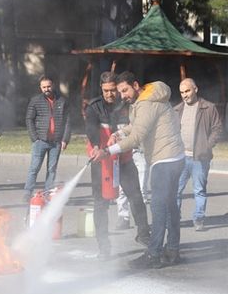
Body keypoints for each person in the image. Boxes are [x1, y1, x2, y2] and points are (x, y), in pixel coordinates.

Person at [93, 71, 185, 269]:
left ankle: (154, 255)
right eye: (120, 92)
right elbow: (135, 126)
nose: (123, 95)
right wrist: (118, 133)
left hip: (165, 159)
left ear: (135, 85)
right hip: (174, 157)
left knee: (159, 207)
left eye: (125, 90)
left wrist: (108, 151)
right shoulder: (149, 96)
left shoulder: (146, 103)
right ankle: (173, 250)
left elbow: (136, 137)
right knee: (169, 206)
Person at [85, 71, 150, 259]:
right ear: (101, 89)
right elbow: (91, 128)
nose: (110, 94)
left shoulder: (127, 104)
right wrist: (96, 146)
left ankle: (144, 235)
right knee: (100, 204)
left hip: (124, 160)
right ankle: (103, 246)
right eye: (106, 91)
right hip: (101, 162)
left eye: (113, 90)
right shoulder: (94, 107)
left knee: (136, 197)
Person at [173, 78, 222, 232]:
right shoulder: (177, 109)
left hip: (200, 158)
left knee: (199, 190)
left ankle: (199, 219)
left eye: (187, 91)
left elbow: (217, 129)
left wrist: (206, 147)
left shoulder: (208, 107)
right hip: (180, 157)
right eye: (181, 92)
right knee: (175, 190)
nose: (184, 95)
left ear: (195, 89)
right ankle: (175, 218)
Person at [23, 75, 71, 201]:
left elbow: (67, 121)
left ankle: (48, 193)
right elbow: (29, 119)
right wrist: (35, 138)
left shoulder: (62, 101)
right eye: (44, 87)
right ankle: (28, 192)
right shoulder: (35, 100)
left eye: (48, 86)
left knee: (52, 169)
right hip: (40, 141)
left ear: (53, 85)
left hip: (56, 142)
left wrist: (65, 139)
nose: (46, 89)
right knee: (34, 168)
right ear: (40, 88)